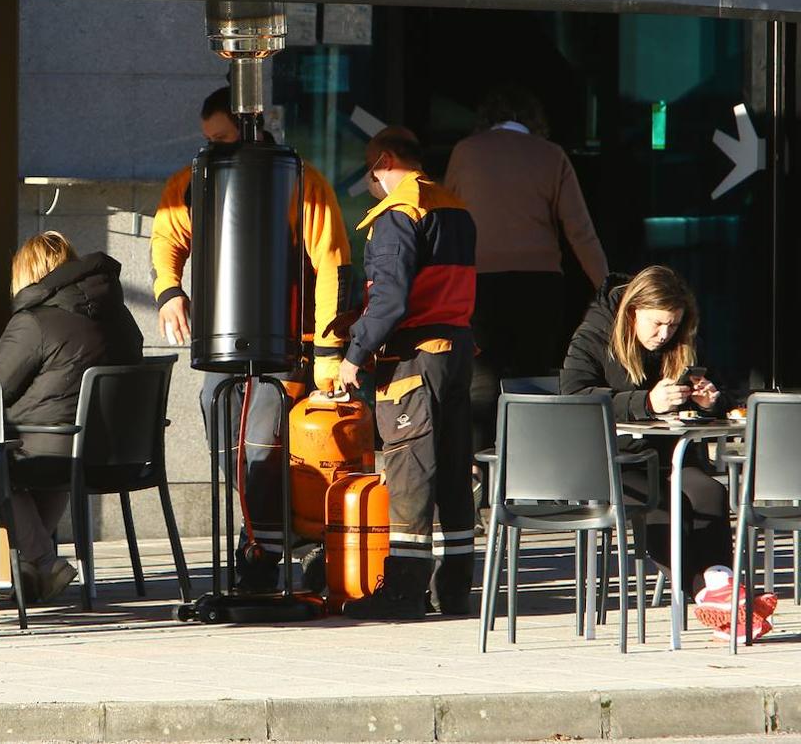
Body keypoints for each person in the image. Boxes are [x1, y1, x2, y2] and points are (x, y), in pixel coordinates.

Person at [151, 86, 354, 592]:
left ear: (249, 125)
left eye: (221, 136)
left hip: (291, 341)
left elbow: (331, 264)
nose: (214, 146)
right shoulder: (196, 179)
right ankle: (264, 540)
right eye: (208, 138)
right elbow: (167, 234)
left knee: (263, 447)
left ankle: (269, 550)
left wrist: (328, 352)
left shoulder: (301, 181)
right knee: (227, 446)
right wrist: (168, 291)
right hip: (224, 344)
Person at [337, 127, 477, 619]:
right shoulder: (453, 206)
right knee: (453, 469)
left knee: (409, 467)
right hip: (456, 349)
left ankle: (403, 591)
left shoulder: (400, 214)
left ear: (385, 159)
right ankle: (455, 588)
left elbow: (390, 298)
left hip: (415, 356)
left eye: (371, 171)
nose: (370, 183)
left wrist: (353, 354)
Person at [0, 231, 143, 602]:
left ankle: (43, 561)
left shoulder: (36, 321)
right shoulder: (122, 317)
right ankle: (33, 569)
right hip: (118, 455)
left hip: (54, 453)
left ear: (28, 274)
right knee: (39, 459)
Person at [444, 86, 609, 460]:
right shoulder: (552, 156)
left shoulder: (466, 152)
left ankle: (480, 474)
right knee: (531, 377)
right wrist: (608, 287)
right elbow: (579, 231)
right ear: (535, 122)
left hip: (479, 282)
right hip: (539, 283)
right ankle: (531, 471)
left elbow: (446, 218)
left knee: (482, 380)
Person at [560, 266, 733, 601]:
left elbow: (724, 390)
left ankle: (721, 587)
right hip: (616, 459)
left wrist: (710, 400)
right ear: (633, 311)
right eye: (657, 323)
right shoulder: (595, 334)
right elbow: (573, 396)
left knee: (709, 492)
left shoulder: (681, 337)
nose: (665, 333)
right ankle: (711, 597)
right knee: (661, 503)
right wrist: (646, 402)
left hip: (672, 453)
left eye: (673, 323)